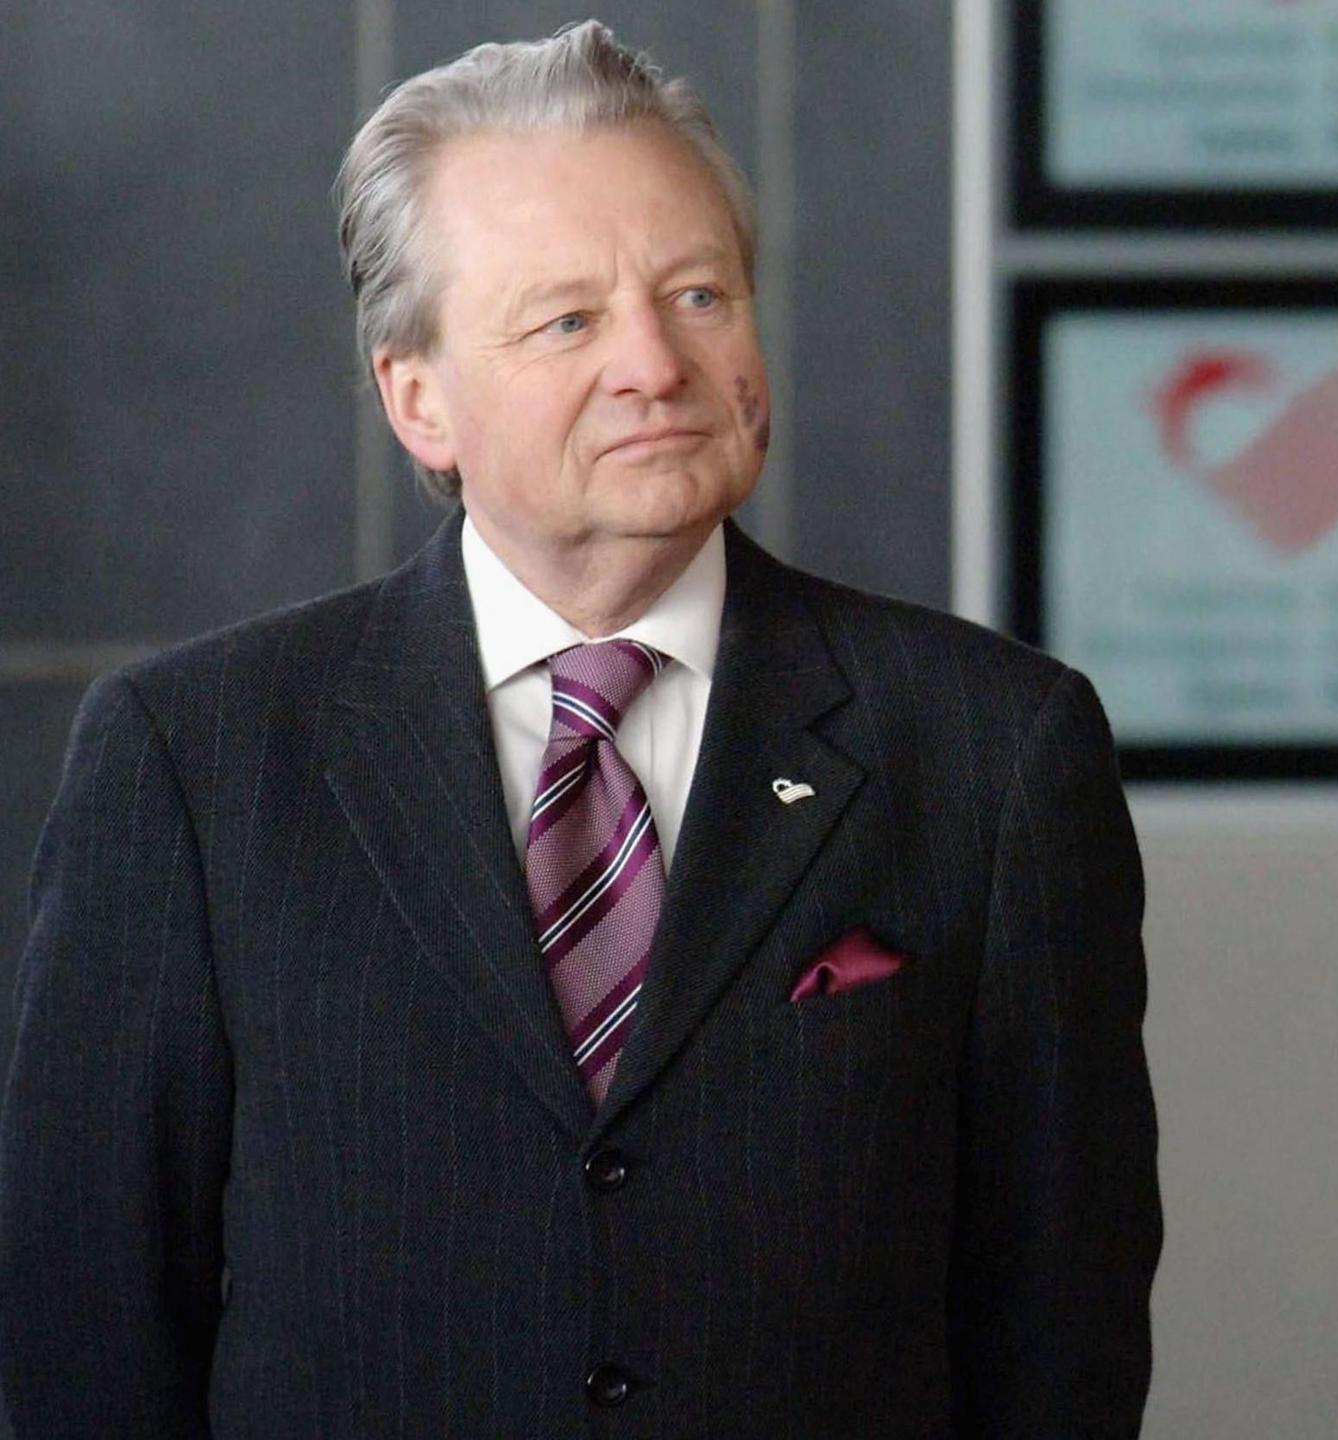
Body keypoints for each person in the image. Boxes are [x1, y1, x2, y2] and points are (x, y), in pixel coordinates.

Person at [0, 22, 1159, 1436]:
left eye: (698, 295)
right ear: (418, 398)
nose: (656, 365)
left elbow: (1064, 1325)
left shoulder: (993, 748)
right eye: (567, 321)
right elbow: (89, 1330)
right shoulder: (197, 760)